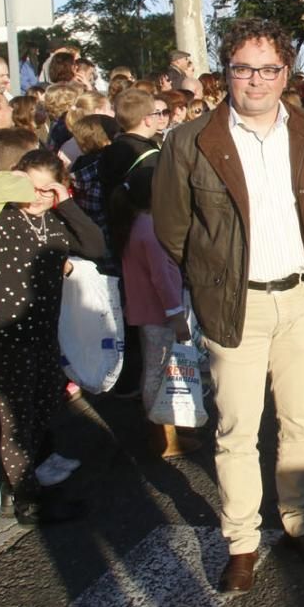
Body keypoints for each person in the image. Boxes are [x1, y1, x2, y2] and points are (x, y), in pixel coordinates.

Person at [153, 18, 304, 592]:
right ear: (225, 71)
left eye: (268, 69)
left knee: (300, 422)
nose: (255, 81)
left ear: (286, 73)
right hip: (234, 304)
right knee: (236, 428)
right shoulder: (191, 140)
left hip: (302, 298)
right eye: (243, 68)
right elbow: (172, 228)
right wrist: (211, 278)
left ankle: (299, 523)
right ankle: (241, 540)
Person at [0, 149, 105, 526]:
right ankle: (27, 498)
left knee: (44, 402)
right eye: (29, 187)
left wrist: (66, 203)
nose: (37, 197)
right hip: (3, 334)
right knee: (17, 418)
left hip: (43, 330)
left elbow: (95, 246)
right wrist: (6, 187)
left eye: (47, 191)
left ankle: (33, 477)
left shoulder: (55, 223)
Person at [113, 167, 201, 458]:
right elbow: (161, 278)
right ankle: (163, 434)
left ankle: (165, 430)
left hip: (146, 310)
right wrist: (176, 314)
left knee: (157, 369)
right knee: (158, 371)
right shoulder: (151, 229)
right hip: (159, 312)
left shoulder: (135, 222)